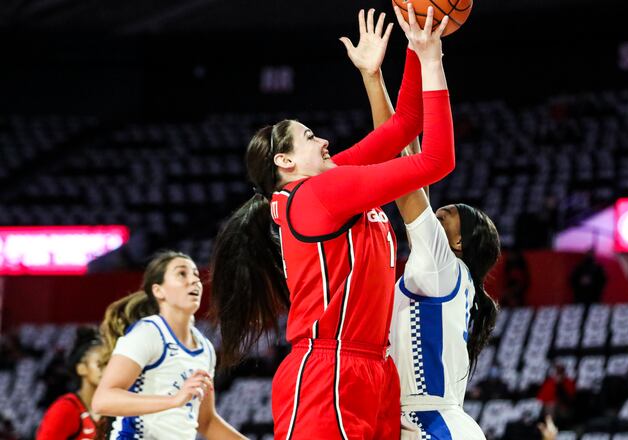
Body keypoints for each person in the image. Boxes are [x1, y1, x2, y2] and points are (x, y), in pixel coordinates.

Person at [210, 5, 454, 439]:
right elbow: (436, 159)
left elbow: (404, 126)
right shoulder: (321, 194)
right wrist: (432, 57)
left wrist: (413, 48)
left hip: (372, 367)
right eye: (309, 137)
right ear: (284, 161)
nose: (324, 141)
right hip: (330, 371)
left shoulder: (323, 187)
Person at [349, 10, 499, 438]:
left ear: (458, 243)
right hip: (436, 423)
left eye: (449, 213)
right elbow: (409, 160)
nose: (440, 209)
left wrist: (422, 61)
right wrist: (380, 74)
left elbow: (402, 162)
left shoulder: (441, 267)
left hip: (431, 425)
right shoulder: (449, 275)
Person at [92, 251, 245, 439]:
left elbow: (207, 422)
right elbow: (103, 400)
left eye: (196, 275)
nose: (194, 281)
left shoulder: (205, 349)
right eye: (182, 274)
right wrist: (174, 400)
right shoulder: (148, 333)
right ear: (159, 291)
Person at [37, 327, 103, 439]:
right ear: (81, 368)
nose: (108, 369)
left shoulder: (115, 410)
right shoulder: (64, 409)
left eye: (110, 363)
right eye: (100, 364)